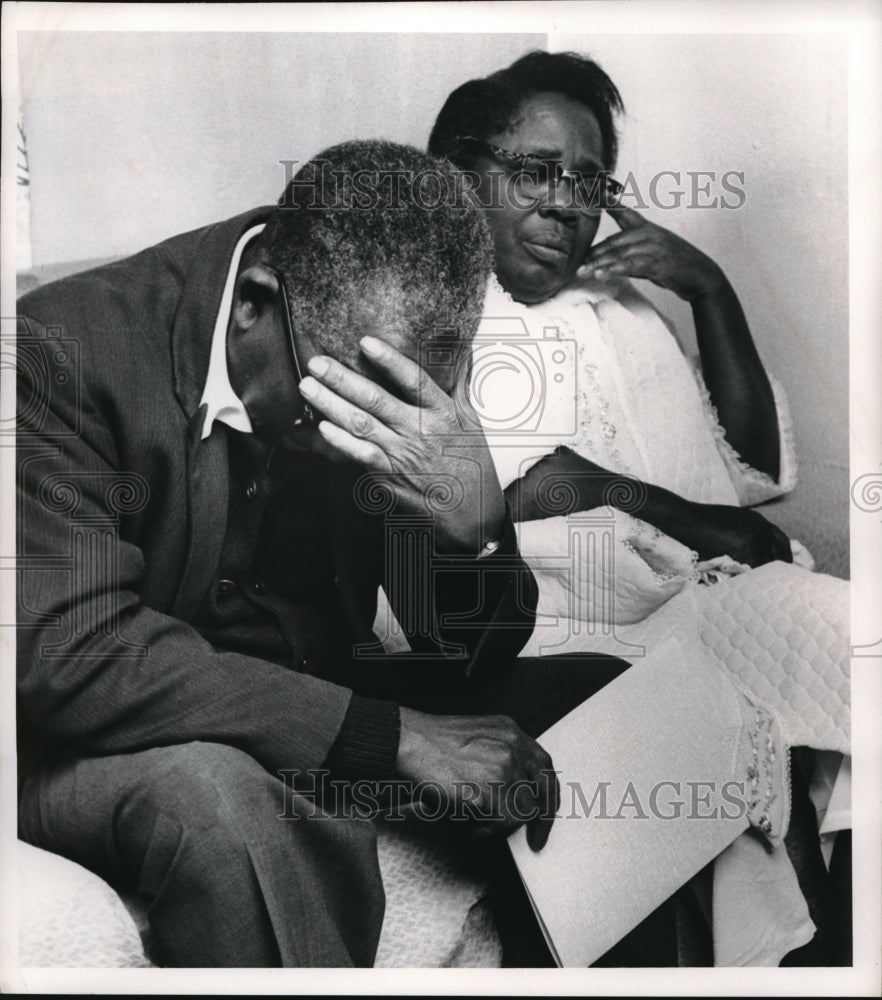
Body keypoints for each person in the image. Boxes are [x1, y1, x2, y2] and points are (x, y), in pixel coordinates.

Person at [15, 139, 634, 968]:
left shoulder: (384, 355)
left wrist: (477, 532)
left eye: (404, 406)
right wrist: (394, 740)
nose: (367, 443)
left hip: (315, 689)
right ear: (255, 306)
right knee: (218, 805)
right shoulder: (56, 354)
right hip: (105, 736)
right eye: (337, 411)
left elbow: (468, 657)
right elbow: (79, 657)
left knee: (607, 698)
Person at [428, 51, 851, 966]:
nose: (565, 202)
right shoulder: (455, 316)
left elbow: (751, 469)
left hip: (701, 585)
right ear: (464, 181)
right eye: (533, 172)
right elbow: (526, 490)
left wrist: (709, 290)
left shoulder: (621, 305)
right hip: (571, 614)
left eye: (587, 179)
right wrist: (696, 524)